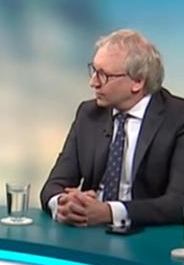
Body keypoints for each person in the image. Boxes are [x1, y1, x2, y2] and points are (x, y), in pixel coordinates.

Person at [40, 29, 184, 228]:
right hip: (89, 233)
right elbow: (53, 185)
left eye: (104, 75)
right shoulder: (88, 114)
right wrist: (63, 204)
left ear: (137, 81)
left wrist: (109, 212)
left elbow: (178, 203)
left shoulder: (177, 118)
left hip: (146, 235)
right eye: (93, 71)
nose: (93, 82)